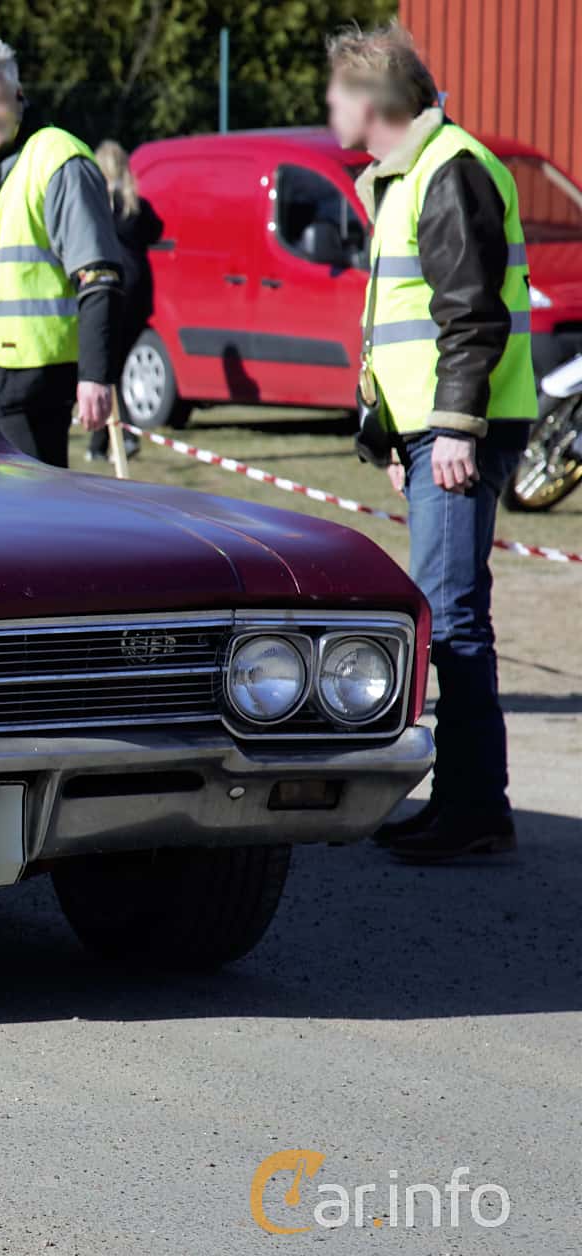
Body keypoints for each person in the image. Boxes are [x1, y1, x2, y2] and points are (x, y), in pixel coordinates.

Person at [329, 23, 533, 861]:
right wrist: (392, 431)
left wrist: (452, 426)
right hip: (432, 433)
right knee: (449, 613)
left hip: (457, 433)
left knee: (451, 618)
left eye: (336, 95)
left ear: (371, 99)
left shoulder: (449, 168)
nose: (329, 111)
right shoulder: (412, 174)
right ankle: (468, 802)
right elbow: (407, 324)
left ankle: (474, 807)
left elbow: (471, 317)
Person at [0, 40, 122, 468]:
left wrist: (95, 376)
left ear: (18, 95)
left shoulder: (58, 157)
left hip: (32, 386)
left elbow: (99, 275)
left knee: (34, 504)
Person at [89, 140, 156, 460]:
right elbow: (157, 230)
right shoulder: (136, 205)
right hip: (140, 293)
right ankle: (101, 443)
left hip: (114, 290)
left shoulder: (101, 206)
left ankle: (123, 436)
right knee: (113, 366)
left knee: (109, 368)